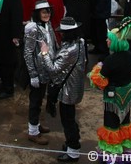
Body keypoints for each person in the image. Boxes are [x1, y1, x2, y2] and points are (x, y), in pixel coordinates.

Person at [88, 15, 131, 158]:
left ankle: (113, 153)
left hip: (113, 97)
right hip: (127, 94)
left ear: (115, 42)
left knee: (111, 123)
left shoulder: (110, 60)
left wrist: (96, 70)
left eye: (109, 39)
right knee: (125, 121)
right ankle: (126, 147)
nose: (106, 40)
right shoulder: (129, 55)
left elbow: (99, 81)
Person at [39, 17, 86, 162]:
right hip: (74, 88)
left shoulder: (69, 50)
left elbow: (53, 69)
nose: (61, 34)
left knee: (68, 120)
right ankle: (73, 143)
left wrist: (45, 53)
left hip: (68, 92)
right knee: (70, 119)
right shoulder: (80, 42)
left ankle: (73, 151)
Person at [23, 0, 57, 146]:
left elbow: (53, 44)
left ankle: (36, 125)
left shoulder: (47, 25)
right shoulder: (33, 28)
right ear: (37, 13)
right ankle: (33, 132)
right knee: (35, 101)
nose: (47, 14)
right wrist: (33, 74)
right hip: (38, 71)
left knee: (40, 99)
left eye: (48, 11)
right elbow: (27, 53)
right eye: (43, 12)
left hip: (47, 70)